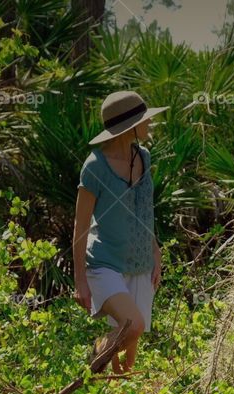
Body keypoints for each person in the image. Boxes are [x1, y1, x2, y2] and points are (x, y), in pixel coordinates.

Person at [73, 91, 168, 374]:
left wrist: (154, 250)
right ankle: (96, 354)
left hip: (140, 263)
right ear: (129, 127)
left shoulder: (145, 158)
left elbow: (143, 210)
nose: (150, 125)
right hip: (105, 264)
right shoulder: (94, 168)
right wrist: (80, 281)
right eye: (145, 120)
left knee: (127, 358)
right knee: (133, 326)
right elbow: (80, 226)